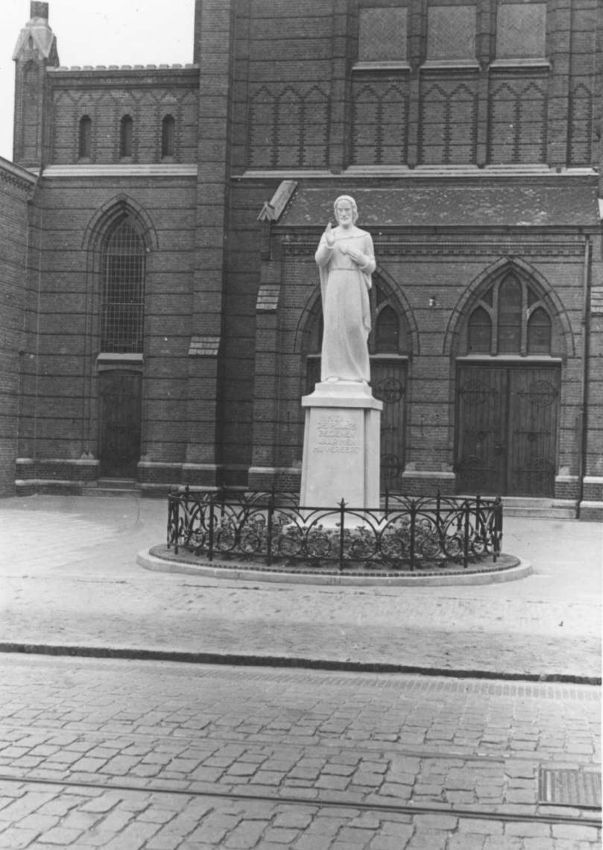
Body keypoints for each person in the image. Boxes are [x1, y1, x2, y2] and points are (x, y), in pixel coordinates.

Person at [315, 195, 376, 383]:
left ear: (354, 212)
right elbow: (319, 260)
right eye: (340, 210)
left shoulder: (364, 236)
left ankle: (359, 374)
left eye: (347, 210)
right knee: (334, 327)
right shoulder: (330, 235)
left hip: (354, 284)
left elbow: (372, 266)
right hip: (335, 282)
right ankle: (332, 372)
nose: (343, 214)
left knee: (353, 325)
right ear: (335, 213)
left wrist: (362, 259)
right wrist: (329, 244)